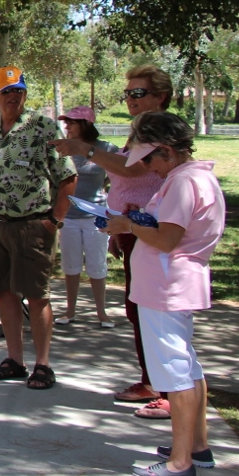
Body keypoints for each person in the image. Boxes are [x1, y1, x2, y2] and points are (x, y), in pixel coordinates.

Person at [103, 112, 223, 476]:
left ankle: (179, 462)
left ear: (167, 151)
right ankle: (196, 446)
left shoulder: (185, 182)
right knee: (187, 368)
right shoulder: (190, 178)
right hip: (169, 286)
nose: (148, 168)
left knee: (175, 372)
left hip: (166, 289)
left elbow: (168, 238)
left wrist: (127, 225)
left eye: (150, 158)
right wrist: (138, 220)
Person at [51, 64, 174, 417]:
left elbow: (131, 170)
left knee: (155, 312)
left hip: (152, 229)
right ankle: (152, 380)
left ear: (160, 97)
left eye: (138, 93)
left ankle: (167, 390)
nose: (131, 100)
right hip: (132, 229)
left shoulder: (159, 131)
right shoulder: (141, 130)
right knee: (138, 309)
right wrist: (120, 228)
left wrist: (83, 149)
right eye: (128, 94)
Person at [0, 66, 76, 390]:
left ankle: (43, 364)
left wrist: (53, 221)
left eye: (19, 90)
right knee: (4, 292)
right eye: (7, 91)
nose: (13, 96)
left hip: (32, 226)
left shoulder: (43, 127)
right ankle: (14, 359)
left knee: (37, 295)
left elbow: (68, 178)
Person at [54, 105, 117, 329]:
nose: (67, 126)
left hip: (96, 216)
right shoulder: (63, 148)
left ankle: (102, 313)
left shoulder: (105, 148)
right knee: (70, 265)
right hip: (68, 217)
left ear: (86, 124)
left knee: (96, 265)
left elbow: (121, 171)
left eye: (72, 122)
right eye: (66, 122)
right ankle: (70, 310)